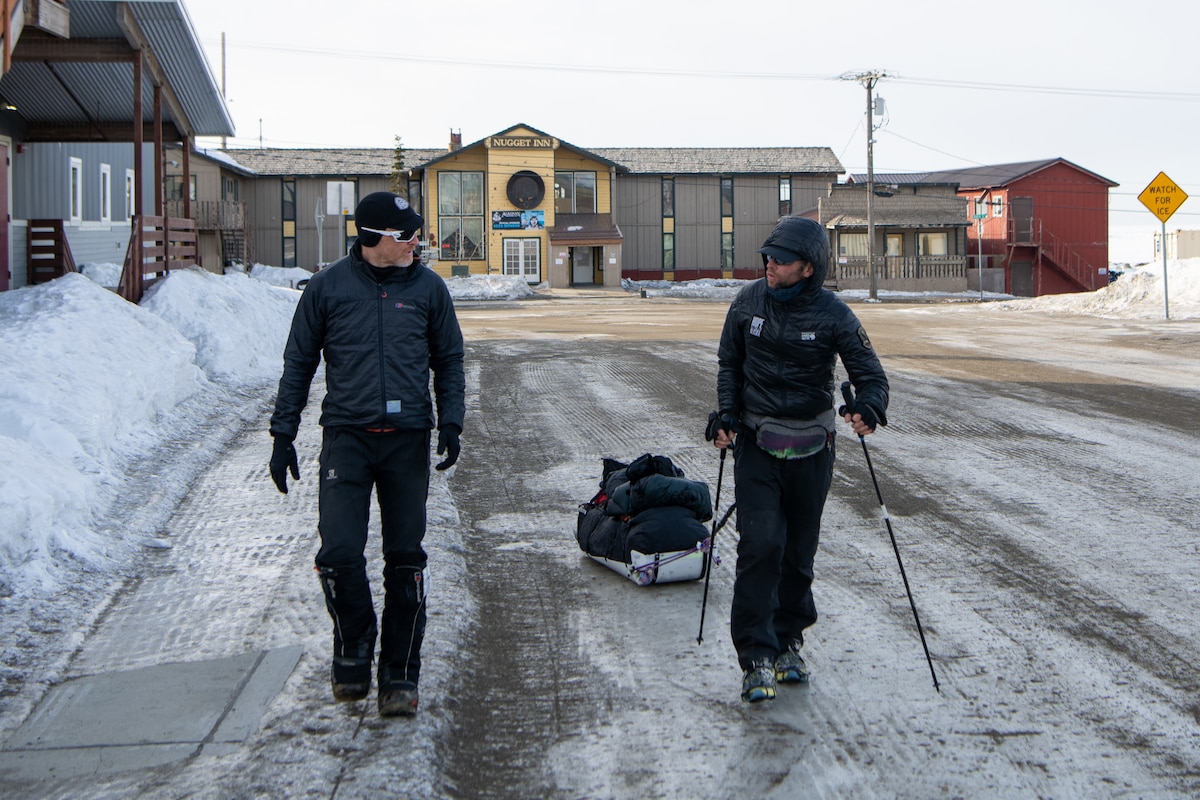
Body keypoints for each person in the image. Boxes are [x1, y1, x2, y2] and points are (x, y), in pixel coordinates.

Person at [268, 191, 465, 717]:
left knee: (405, 559)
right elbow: (298, 362)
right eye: (405, 235)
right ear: (373, 238)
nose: (415, 242)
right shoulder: (328, 287)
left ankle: (400, 668)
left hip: (406, 440)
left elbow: (449, 359)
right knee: (338, 554)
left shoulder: (429, 288)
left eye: (416, 233)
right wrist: (282, 434)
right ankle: (354, 643)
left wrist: (451, 420)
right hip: (347, 437)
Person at [711, 216, 889, 703]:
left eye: (781, 259)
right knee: (761, 545)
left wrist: (868, 407)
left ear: (808, 268)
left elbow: (870, 374)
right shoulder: (748, 302)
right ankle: (756, 656)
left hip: (813, 448)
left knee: (797, 551)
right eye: (767, 256)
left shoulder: (835, 314)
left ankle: (789, 641)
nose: (769, 264)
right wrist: (726, 413)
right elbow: (730, 361)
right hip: (756, 441)